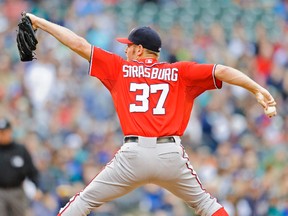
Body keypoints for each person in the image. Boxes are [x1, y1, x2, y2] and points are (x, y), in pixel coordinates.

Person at [25, 12, 277, 216]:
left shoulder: (120, 68)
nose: (125, 50)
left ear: (138, 49)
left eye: (128, 46)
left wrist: (40, 22)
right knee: (207, 205)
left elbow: (78, 44)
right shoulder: (181, 72)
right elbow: (221, 70)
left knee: (83, 201)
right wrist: (256, 88)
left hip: (133, 154)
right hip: (170, 154)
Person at [0, 118, 39, 216]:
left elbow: (32, 171)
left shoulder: (20, 150)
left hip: (17, 191)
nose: (2, 135)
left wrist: (37, 187)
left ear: (10, 131)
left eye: (4, 132)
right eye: (0, 132)